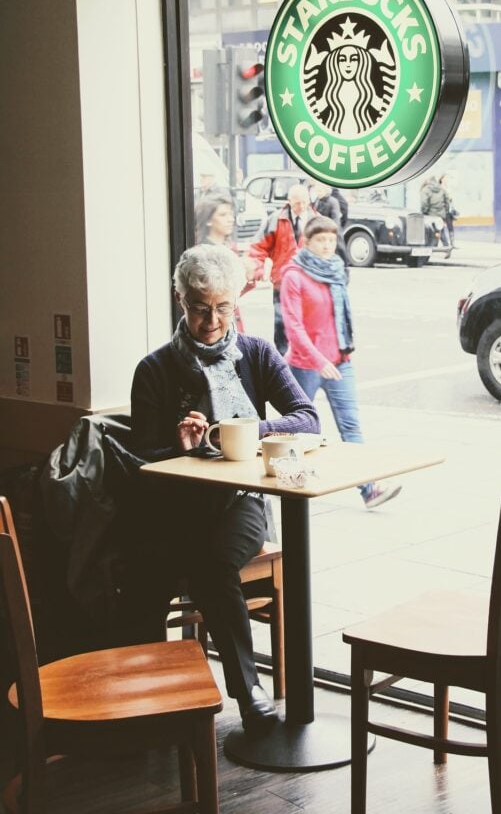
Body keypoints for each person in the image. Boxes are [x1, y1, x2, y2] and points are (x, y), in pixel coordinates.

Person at [130, 244, 320, 737]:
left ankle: (244, 691)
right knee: (159, 565)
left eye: (222, 307)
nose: (211, 320)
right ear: (180, 300)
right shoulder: (154, 370)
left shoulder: (256, 353)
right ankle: (155, 697)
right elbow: (141, 462)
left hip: (240, 503)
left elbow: (307, 418)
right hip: (174, 509)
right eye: (199, 308)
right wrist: (179, 445)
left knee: (209, 563)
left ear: (236, 303)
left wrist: (242, 430)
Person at [279, 215, 401, 510]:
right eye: (321, 240)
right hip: (305, 365)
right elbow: (294, 327)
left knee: (351, 427)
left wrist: (338, 354)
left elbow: (338, 319)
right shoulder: (294, 276)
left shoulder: (335, 271)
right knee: (299, 430)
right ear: (307, 242)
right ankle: (290, 485)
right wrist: (318, 360)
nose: (327, 246)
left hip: (340, 362)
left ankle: (369, 490)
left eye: (332, 240)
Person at [247, 183, 315, 355]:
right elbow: (258, 247)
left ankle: (303, 360)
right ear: (289, 201)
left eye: (305, 202)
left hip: (308, 283)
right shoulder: (276, 220)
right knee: (281, 323)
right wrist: (259, 269)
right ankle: (282, 361)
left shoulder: (316, 220)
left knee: (306, 323)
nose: (302, 207)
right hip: (282, 283)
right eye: (298, 203)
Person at [420, 173, 450, 247]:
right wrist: (445, 212)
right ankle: (446, 247)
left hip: (430, 215)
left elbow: (424, 202)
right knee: (441, 230)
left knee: (430, 231)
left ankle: (431, 247)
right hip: (441, 214)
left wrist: (424, 212)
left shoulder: (426, 189)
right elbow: (447, 201)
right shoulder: (442, 189)